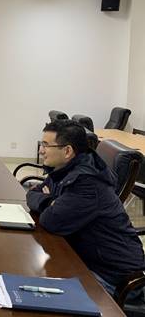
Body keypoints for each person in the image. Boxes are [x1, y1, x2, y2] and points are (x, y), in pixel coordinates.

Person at [27, 119, 145, 296]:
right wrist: (51, 201)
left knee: (35, 290)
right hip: (85, 258)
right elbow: (32, 193)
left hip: (112, 277)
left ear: (67, 151)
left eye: (46, 145)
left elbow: (50, 220)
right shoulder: (64, 169)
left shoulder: (86, 183)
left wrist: (52, 202)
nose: (40, 150)